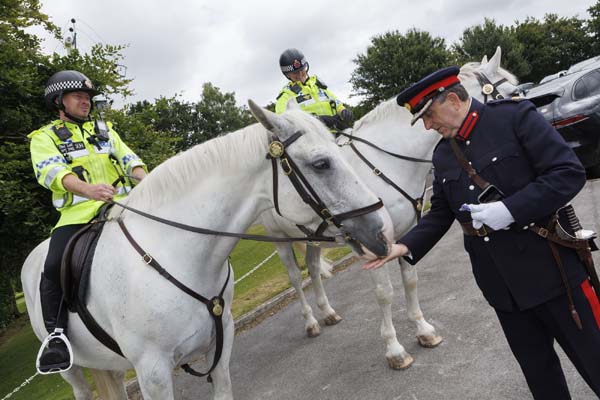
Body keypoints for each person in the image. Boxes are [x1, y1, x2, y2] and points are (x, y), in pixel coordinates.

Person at [363, 66, 600, 399]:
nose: (428, 125)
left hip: (556, 274)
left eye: (429, 115)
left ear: (455, 100)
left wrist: (510, 209)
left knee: (595, 362)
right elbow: (441, 214)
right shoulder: (444, 154)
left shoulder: (515, 119)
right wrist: (401, 248)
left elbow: (567, 173)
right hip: (503, 290)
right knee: (541, 377)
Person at [28, 70, 147, 373]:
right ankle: (56, 337)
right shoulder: (44, 138)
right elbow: (52, 173)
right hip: (78, 215)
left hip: (123, 206)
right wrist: (88, 190)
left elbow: (129, 160)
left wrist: (151, 182)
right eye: (78, 96)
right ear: (59, 101)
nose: (85, 101)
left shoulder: (105, 131)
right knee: (53, 265)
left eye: (88, 97)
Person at [276, 48, 353, 131]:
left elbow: (336, 103)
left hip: (337, 133)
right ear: (287, 75)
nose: (300, 75)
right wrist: (317, 120)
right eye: (295, 73)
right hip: (313, 139)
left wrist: (343, 111)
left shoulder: (318, 85)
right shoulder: (286, 95)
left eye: (302, 70)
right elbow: (282, 121)